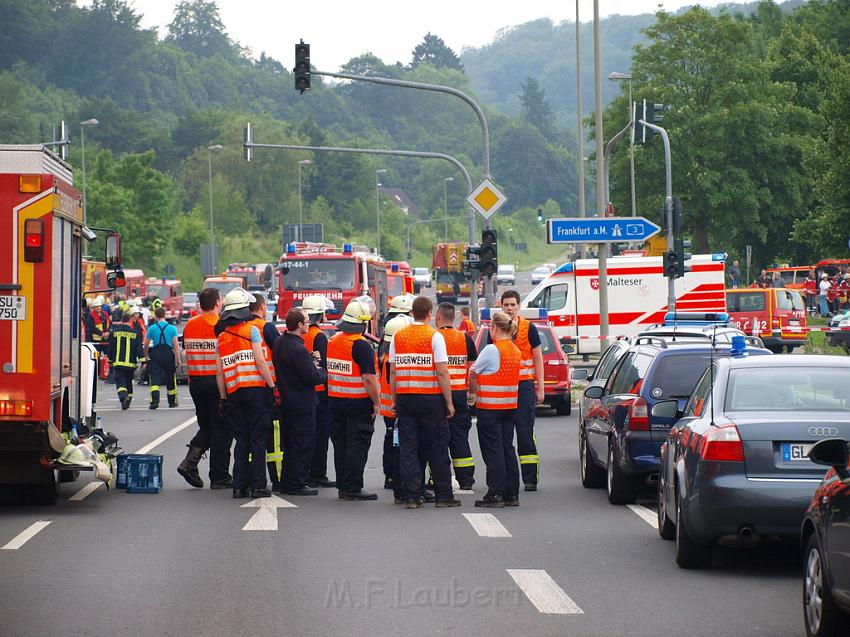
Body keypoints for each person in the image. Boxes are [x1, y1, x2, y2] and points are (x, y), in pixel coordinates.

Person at [390, 296, 459, 509]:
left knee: (408, 448)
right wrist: (449, 402)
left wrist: (394, 399)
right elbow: (442, 371)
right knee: (437, 446)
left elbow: (392, 371)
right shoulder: (435, 336)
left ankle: (412, 496)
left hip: (406, 399)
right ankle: (443, 496)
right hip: (431, 399)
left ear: (412, 312)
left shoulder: (398, 337)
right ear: (430, 314)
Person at [215, 287, 276, 499]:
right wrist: (271, 386)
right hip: (256, 392)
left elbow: (220, 373)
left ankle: (239, 486)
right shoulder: (252, 331)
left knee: (241, 440)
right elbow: (260, 361)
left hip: (234, 394)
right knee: (257, 439)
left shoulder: (222, 337)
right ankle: (258, 485)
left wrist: (223, 398)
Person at [177, 288, 233, 490]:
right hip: (216, 382)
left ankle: (189, 463)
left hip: (196, 383)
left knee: (208, 426)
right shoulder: (219, 326)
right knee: (222, 429)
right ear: (218, 302)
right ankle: (219, 476)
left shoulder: (190, 325)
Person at [327, 299, 381, 501]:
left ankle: (343, 485)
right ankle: (352, 487)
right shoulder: (362, 346)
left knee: (340, 445)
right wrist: (376, 402)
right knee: (357, 446)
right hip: (358, 402)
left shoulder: (333, 341)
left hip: (336, 401)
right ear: (363, 323)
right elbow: (368, 379)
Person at [468, 310, 522, 508]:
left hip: (490, 408)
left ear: (495, 328)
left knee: (493, 451)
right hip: (509, 407)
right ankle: (511, 493)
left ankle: (495, 493)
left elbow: (473, 373)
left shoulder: (492, 350)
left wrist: (472, 395)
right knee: (507, 448)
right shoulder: (516, 350)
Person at [272, 308, 327, 496]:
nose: (309, 323)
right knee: (302, 443)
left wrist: (308, 360)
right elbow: (312, 377)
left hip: (287, 401)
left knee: (289, 443)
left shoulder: (281, 342)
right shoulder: (297, 348)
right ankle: (297, 483)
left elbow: (293, 367)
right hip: (302, 402)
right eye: (306, 321)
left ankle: (288, 481)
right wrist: (321, 371)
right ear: (299, 325)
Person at [499, 290, 545, 491]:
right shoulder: (496, 329)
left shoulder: (529, 328)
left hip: (524, 386)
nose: (509, 308)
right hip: (502, 388)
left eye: (513, 305)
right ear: (501, 306)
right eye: (506, 305)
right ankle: (508, 479)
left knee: (525, 433)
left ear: (519, 306)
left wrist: (540, 387)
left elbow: (537, 359)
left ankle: (529, 479)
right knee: (504, 435)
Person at [434, 302, 478, 489]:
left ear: (438, 317)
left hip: (438, 394)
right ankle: (466, 479)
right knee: (460, 436)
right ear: (455, 318)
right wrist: (472, 393)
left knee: (437, 438)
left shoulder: (435, 338)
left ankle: (437, 479)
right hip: (460, 393)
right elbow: (472, 369)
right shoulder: (465, 339)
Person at [377, 313, 415, 504]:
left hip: (388, 408)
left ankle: (390, 476)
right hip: (397, 406)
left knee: (391, 441)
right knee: (400, 445)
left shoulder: (383, 353)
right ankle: (397, 480)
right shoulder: (394, 357)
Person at [246, 294, 281, 491]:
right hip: (268, 386)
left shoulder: (240, 329)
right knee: (274, 437)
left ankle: (252, 478)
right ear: (261, 306)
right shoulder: (265, 327)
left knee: (252, 437)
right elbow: (280, 351)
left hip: (245, 387)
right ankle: (277, 478)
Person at [301, 295, 336, 489]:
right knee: (321, 434)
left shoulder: (299, 333)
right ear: (321, 315)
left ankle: (306, 471)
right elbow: (324, 367)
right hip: (320, 391)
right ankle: (318, 474)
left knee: (307, 434)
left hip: (303, 390)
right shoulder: (319, 336)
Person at [105, 309, 143, 410]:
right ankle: (128, 399)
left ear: (122, 320)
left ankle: (123, 398)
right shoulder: (135, 333)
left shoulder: (114, 333)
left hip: (118, 363)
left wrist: (109, 360)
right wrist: (143, 360)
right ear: (130, 321)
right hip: (131, 364)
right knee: (128, 382)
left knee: (120, 381)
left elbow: (111, 347)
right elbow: (139, 348)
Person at [145, 307, 181, 409]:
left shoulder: (152, 328)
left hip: (156, 354)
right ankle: (172, 401)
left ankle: (154, 402)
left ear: (156, 316)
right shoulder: (172, 328)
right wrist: (178, 359)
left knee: (155, 378)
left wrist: (146, 355)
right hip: (168, 354)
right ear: (164, 315)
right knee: (170, 377)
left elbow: (146, 344)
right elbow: (176, 345)